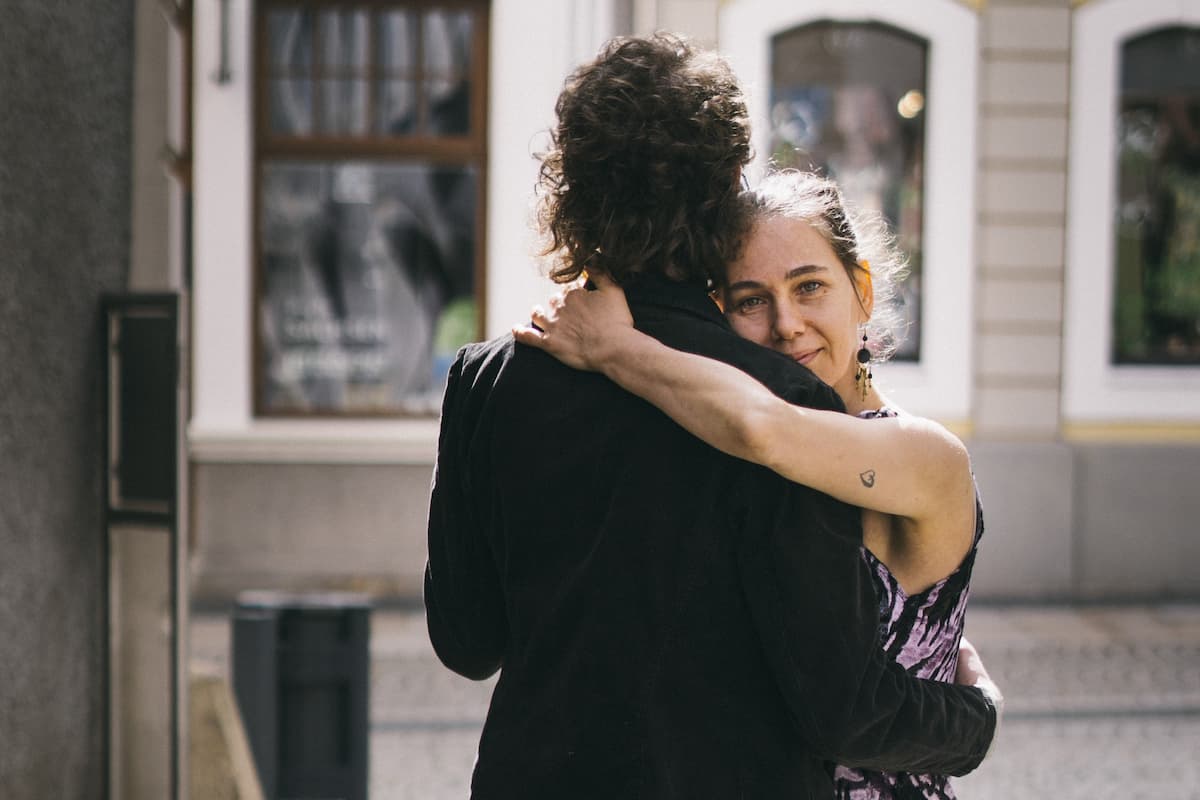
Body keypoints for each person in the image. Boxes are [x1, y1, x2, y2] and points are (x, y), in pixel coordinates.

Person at [425, 34, 999, 800]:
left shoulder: (486, 379)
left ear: (572, 188)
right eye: (760, 297)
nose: (787, 324)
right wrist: (978, 717)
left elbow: (467, 642)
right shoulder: (783, 400)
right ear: (726, 185)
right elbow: (840, 706)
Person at [514, 169, 997, 799]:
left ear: (864, 292)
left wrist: (613, 346)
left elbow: (763, 429)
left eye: (810, 287)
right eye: (750, 301)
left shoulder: (924, 455)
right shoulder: (733, 451)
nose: (786, 324)